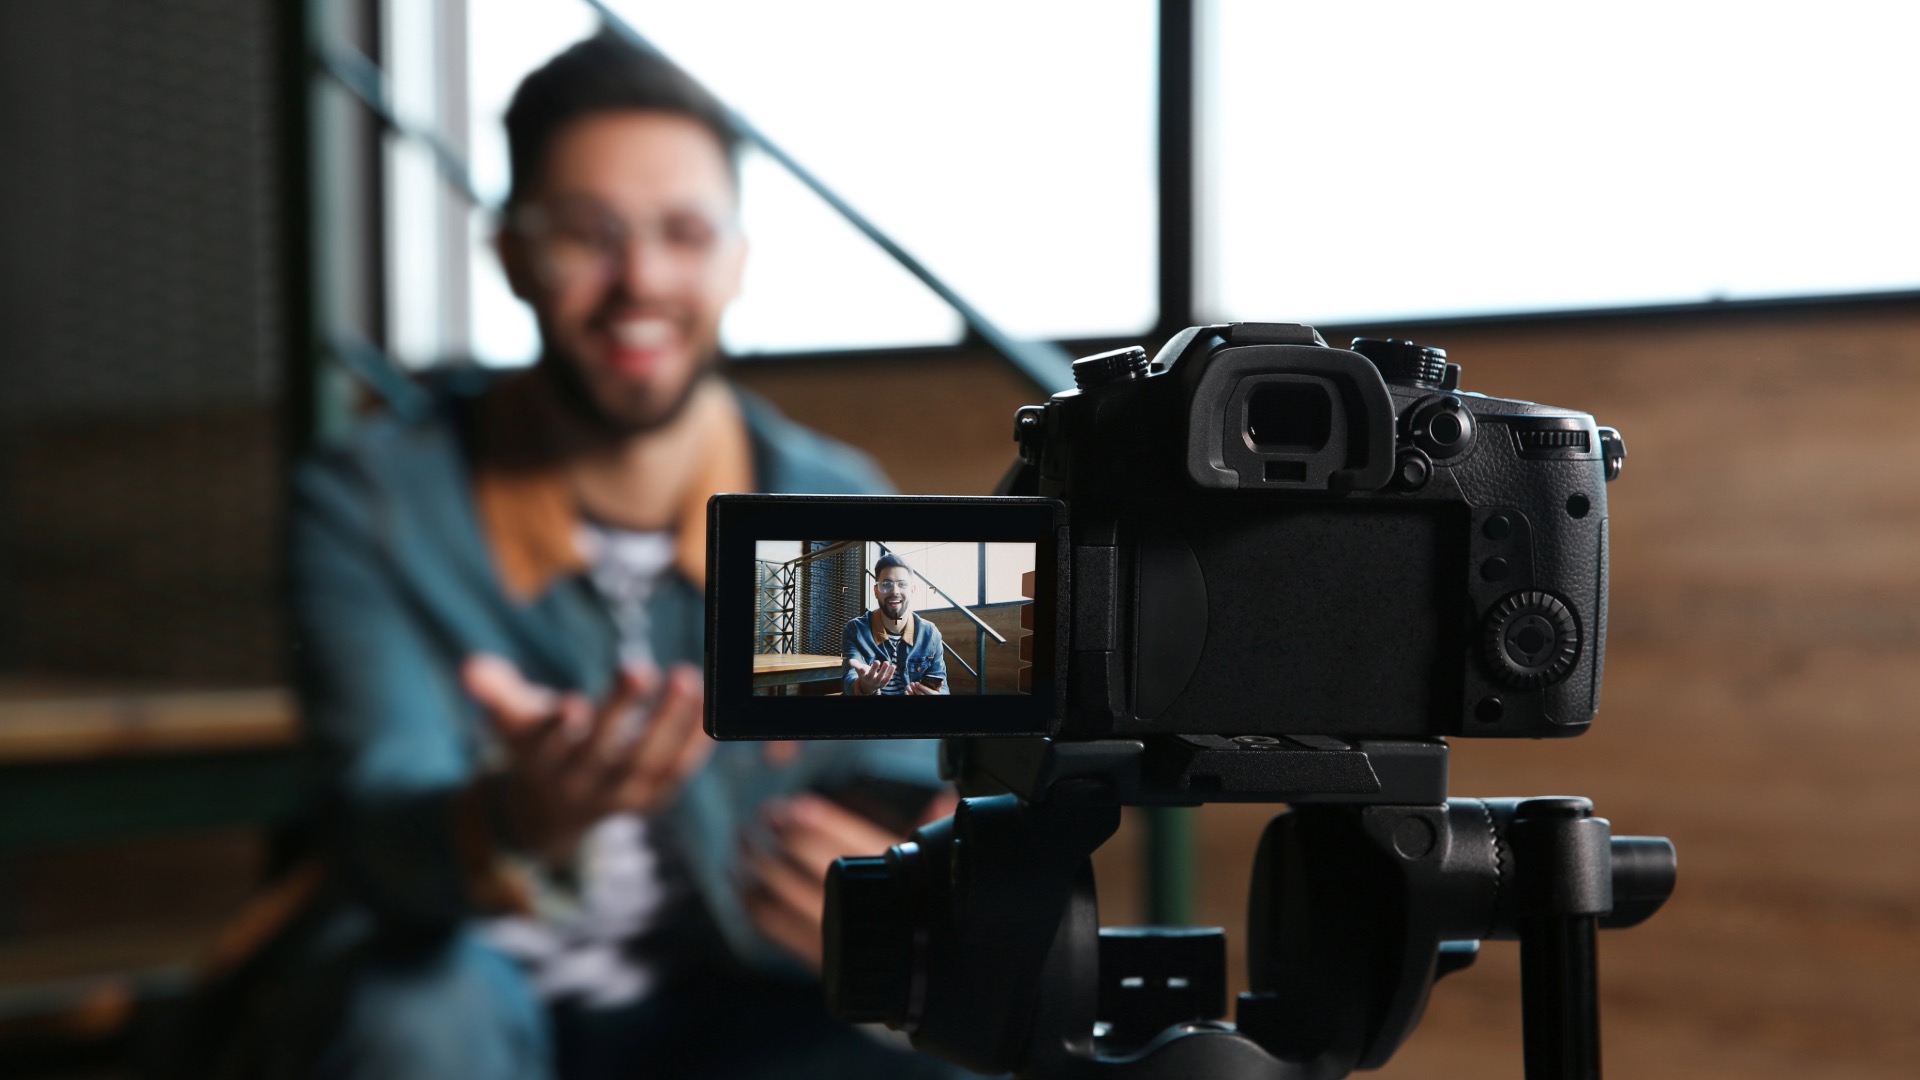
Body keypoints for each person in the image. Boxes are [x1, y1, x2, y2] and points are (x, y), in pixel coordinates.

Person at [269, 29, 960, 1080]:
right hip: (470, 988)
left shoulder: (828, 505)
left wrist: (913, 873)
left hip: (747, 999)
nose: (638, 280)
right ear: (510, 253)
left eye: (683, 232)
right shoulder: (376, 504)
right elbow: (379, 825)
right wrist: (519, 811)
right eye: (587, 232)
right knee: (411, 1016)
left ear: (736, 260)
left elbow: (914, 780)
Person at [843, 554, 950, 696]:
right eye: (886, 584)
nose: (894, 591)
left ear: (912, 590)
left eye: (902, 584)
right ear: (876, 591)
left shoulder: (930, 634)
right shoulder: (855, 630)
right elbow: (849, 681)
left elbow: (943, 688)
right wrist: (865, 687)